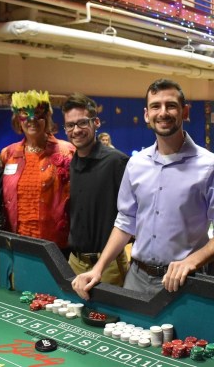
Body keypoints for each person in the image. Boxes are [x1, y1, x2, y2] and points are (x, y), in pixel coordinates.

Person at [72, 78, 214, 299]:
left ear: (185, 111)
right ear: (147, 114)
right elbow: (125, 221)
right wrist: (98, 268)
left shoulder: (211, 166)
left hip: (187, 282)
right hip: (137, 279)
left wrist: (191, 262)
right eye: (155, 106)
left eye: (170, 105)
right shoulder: (136, 164)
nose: (162, 112)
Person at [62, 93, 130, 285]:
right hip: (74, 263)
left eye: (82, 122)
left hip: (108, 265)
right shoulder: (70, 164)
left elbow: (132, 216)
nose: (76, 130)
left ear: (96, 122)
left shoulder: (117, 162)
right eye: (70, 125)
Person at [0, 90, 75, 251]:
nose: (32, 118)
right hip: (17, 242)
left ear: (47, 117)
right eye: (24, 113)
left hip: (55, 244)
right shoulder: (8, 154)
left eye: (38, 112)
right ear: (17, 118)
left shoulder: (67, 151)